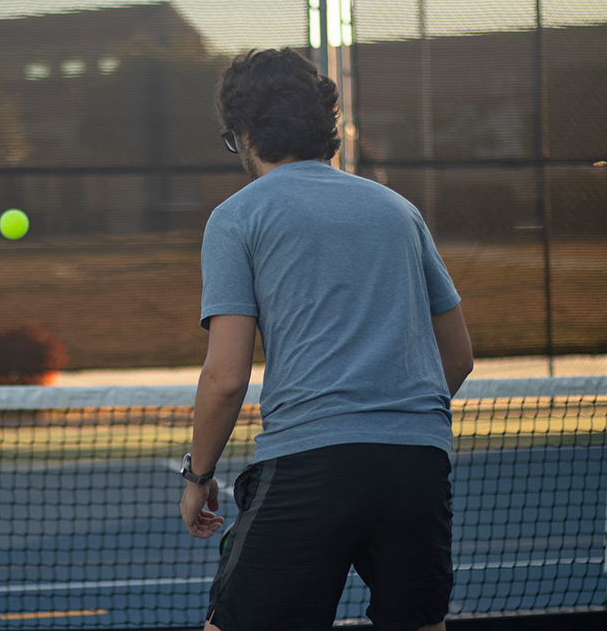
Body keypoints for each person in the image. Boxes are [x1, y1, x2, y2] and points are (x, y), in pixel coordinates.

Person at [178, 48, 474, 631]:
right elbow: (458, 357)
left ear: (241, 133)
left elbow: (226, 377)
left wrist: (197, 476)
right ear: (324, 126)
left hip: (311, 465)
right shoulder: (399, 210)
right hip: (418, 464)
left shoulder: (236, 218)